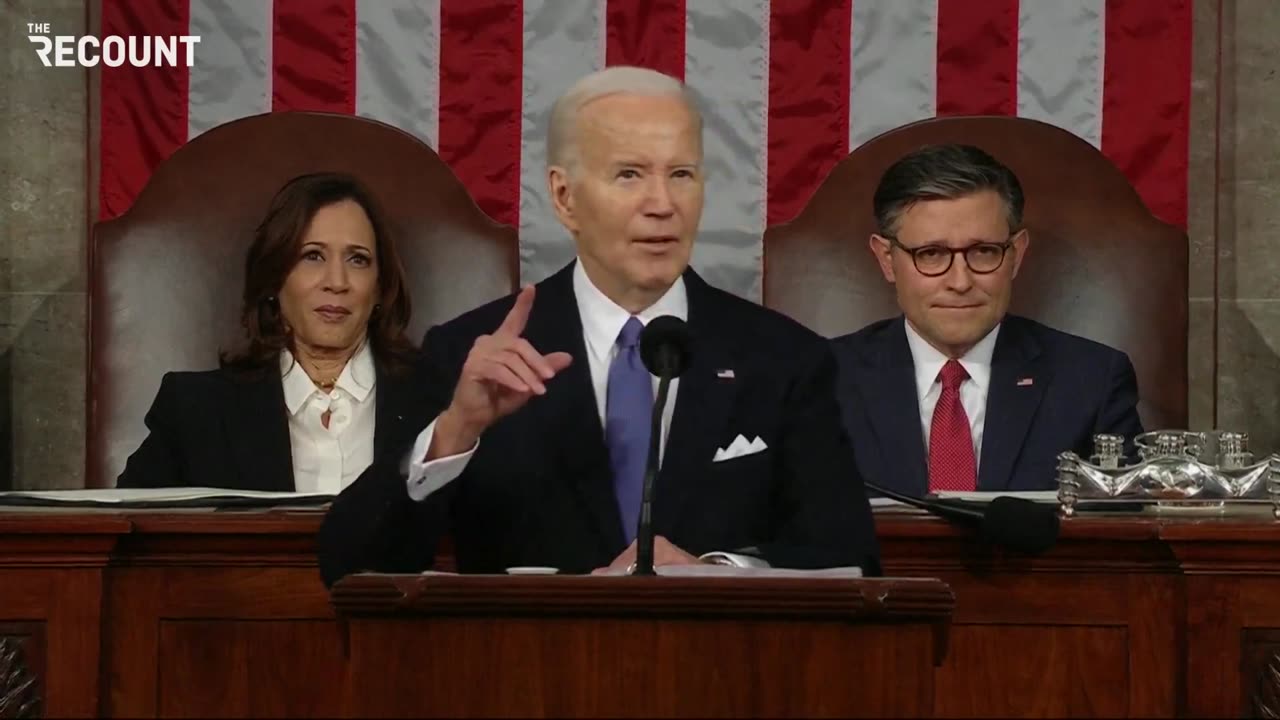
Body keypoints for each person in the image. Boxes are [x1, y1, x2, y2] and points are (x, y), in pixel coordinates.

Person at [317, 66, 880, 585]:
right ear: (564, 198)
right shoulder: (469, 354)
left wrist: (713, 572)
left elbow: (849, 558)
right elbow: (352, 567)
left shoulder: (783, 358)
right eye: (630, 174)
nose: (662, 204)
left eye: (681, 174)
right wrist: (454, 433)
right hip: (528, 681)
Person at [832, 144, 1144, 497]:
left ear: (1016, 254)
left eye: (983, 252)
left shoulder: (1093, 381)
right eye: (931, 254)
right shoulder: (821, 383)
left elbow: (1127, 535)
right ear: (887, 259)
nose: (961, 282)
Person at [117, 172, 426, 493]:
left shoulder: (441, 404)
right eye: (313, 256)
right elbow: (121, 531)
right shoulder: (194, 413)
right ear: (274, 279)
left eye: (358, 259)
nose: (337, 281)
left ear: (379, 287)